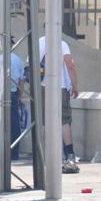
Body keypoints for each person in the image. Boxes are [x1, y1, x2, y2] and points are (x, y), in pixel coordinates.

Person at [39, 33, 80, 173]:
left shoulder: (38, 42)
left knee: (45, 120)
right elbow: (70, 65)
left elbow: (30, 64)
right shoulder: (61, 44)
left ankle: (48, 155)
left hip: (42, 86)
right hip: (60, 86)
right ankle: (69, 155)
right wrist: (75, 85)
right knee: (64, 121)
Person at [0, 38, 26, 161]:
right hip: (12, 93)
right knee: (14, 124)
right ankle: (14, 153)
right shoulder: (18, 59)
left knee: (0, 124)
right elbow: (21, 80)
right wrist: (19, 94)